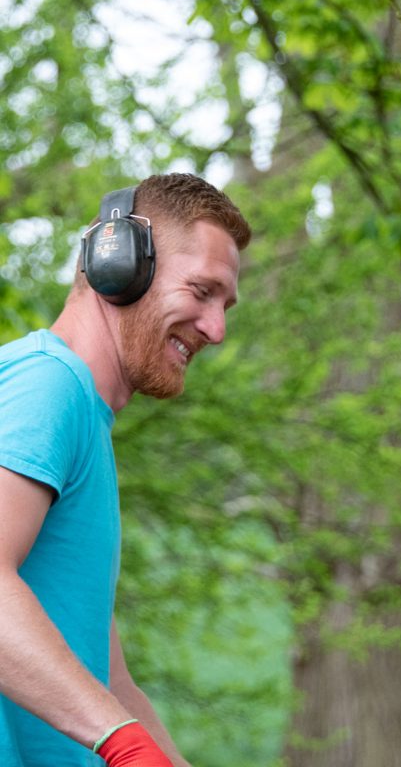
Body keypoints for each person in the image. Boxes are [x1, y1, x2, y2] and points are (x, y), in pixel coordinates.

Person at [0, 173, 252, 766]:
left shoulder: (82, 417)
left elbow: (108, 680)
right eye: (202, 291)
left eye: (225, 306)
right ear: (118, 266)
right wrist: (124, 745)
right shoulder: (48, 386)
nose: (216, 329)